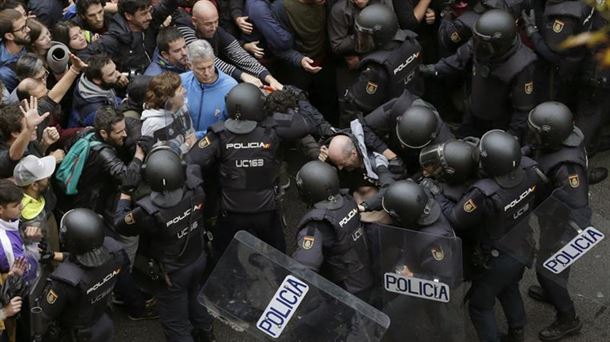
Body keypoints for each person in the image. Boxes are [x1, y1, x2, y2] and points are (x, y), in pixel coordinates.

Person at [432, 129, 542, 341]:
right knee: (508, 287)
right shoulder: (529, 169)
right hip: (523, 244)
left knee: (480, 307)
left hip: (497, 256)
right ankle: (517, 331)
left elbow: (456, 219)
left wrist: (437, 195)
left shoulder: (484, 192)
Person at [187, 83, 311, 254]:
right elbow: (303, 124)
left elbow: (191, 160)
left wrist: (198, 191)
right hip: (266, 212)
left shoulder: (218, 134)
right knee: (278, 257)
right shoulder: (273, 128)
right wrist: (275, 109)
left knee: (222, 256)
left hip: (231, 213)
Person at [114, 146, 215, 342]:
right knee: (195, 297)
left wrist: (126, 192)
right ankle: (207, 334)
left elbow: (121, 224)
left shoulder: (147, 212)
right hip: (197, 258)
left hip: (172, 273)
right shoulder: (197, 190)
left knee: (175, 324)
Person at [420, 9, 536, 141]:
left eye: (483, 45)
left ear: (500, 45)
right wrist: (431, 69)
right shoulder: (480, 42)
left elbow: (522, 110)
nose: (477, 46)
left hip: (498, 125)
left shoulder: (522, 65)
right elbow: (458, 60)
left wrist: (510, 138)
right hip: (473, 111)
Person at [524, 101, 588, 340]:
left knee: (547, 270)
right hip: (550, 216)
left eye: (537, 132)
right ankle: (553, 292)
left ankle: (568, 319)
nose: (532, 135)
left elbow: (579, 208)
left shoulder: (567, 168)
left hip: (562, 226)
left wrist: (566, 243)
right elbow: (536, 149)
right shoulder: (562, 140)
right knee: (551, 269)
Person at [36, 208, 126, 342]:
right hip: (103, 320)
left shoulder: (66, 280)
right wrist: (55, 255)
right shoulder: (116, 252)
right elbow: (90, 259)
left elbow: (45, 315)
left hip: (78, 334)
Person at [293, 160, 373, 299]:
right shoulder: (348, 201)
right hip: (364, 274)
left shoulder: (317, 224)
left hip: (344, 293)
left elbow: (304, 266)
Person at [342, 4, 423, 127]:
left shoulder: (376, 69)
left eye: (366, 37)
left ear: (381, 36)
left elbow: (359, 104)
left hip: (388, 123)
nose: (362, 40)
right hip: (414, 107)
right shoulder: (412, 43)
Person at [176, 0, 283, 89]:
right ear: (195, 21)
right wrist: (243, 75)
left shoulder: (217, 30)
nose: (213, 27)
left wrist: (269, 78)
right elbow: (206, 58)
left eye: (216, 21)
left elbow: (239, 54)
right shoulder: (184, 30)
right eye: (208, 24)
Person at [363, 98, 454, 176]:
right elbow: (362, 126)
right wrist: (388, 153)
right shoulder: (397, 107)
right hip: (388, 148)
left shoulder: (444, 146)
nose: (403, 146)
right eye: (402, 143)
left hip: (417, 162)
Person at [86, 0, 179, 74]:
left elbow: (166, 6)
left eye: (149, 12)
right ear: (128, 16)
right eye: (143, 14)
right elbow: (84, 55)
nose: (149, 17)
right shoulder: (114, 38)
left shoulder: (149, 21)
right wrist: (114, 74)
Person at [180, 39, 237, 138]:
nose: (207, 73)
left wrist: (199, 136)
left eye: (210, 66)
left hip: (216, 145)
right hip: (185, 144)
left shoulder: (231, 87)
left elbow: (233, 125)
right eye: (201, 69)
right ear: (190, 65)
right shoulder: (180, 82)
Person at [13, 155, 60, 258]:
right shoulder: (30, 218)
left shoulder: (21, 196)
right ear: (34, 185)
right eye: (45, 177)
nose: (48, 177)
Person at [140, 71, 196, 154]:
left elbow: (190, 132)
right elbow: (161, 157)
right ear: (169, 98)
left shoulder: (182, 108)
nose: (184, 91)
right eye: (180, 90)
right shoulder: (152, 124)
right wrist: (186, 146)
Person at [69, 54, 128, 128]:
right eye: (111, 74)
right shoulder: (95, 112)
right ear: (97, 80)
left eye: (115, 69)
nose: (118, 74)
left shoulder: (88, 80)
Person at [0, 9, 31, 93]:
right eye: (22, 28)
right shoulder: (6, 73)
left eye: (26, 24)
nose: (28, 30)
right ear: (9, 36)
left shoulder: (26, 40)